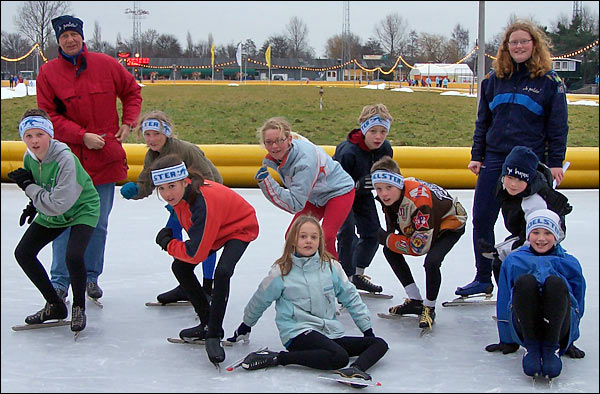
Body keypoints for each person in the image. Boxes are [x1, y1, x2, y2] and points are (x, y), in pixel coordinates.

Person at [456, 20, 569, 298]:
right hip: (495, 159)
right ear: (506, 48)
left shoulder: (549, 83)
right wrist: (477, 155)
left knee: (528, 223)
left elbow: (558, 125)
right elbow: (483, 121)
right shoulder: (493, 82)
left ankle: (530, 277)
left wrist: (555, 162)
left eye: (524, 42)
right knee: (482, 218)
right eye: (513, 42)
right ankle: (483, 278)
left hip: (530, 162)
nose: (518, 47)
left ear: (534, 45)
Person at [36, 15, 142, 302]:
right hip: (67, 160)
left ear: (82, 37)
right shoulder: (48, 73)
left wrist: (129, 122)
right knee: (61, 222)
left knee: (96, 223)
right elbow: (47, 117)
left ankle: (90, 278)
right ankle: (59, 283)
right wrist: (81, 135)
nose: (69, 40)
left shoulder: (106, 65)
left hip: (103, 159)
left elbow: (132, 92)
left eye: (73, 34)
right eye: (63, 36)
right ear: (58, 41)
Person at [227, 215, 388, 380]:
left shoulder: (331, 267)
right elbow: (260, 300)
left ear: (320, 241)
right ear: (293, 240)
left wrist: (367, 330)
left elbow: (351, 298)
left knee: (378, 344)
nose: (308, 241)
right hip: (297, 333)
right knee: (338, 357)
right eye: (303, 236)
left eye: (313, 237)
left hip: (328, 332)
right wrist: (245, 326)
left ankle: (355, 370)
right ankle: (277, 357)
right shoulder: (281, 272)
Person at [150, 154, 259, 366]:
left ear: (184, 181)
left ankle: (214, 333)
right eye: (161, 189)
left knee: (223, 272)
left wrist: (168, 244)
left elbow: (196, 253)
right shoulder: (183, 196)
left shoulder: (202, 202)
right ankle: (206, 322)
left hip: (240, 226)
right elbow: (194, 247)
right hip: (218, 226)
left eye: (171, 186)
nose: (167, 194)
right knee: (180, 268)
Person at [8, 109, 100, 332]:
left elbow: (59, 202)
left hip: (81, 208)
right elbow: (43, 186)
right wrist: (33, 205)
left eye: (39, 134)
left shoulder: (65, 159)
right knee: (23, 253)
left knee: (74, 255)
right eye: (28, 136)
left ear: (50, 134)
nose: (34, 141)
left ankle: (79, 307)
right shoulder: (29, 158)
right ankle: (55, 305)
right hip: (54, 210)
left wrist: (29, 189)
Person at [120, 110, 223, 304]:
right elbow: (147, 183)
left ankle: (207, 288)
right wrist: (135, 191)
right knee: (173, 235)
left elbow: (209, 179)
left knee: (205, 240)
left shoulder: (186, 150)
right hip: (179, 202)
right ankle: (187, 285)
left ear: (167, 133)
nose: (151, 139)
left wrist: (187, 202)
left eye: (156, 134)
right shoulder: (151, 156)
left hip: (204, 199)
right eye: (147, 134)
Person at [371, 156, 467, 330]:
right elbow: (394, 223)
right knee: (389, 250)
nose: (383, 194)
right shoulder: (392, 196)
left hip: (450, 223)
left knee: (432, 261)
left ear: (399, 184)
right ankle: (415, 300)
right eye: (378, 189)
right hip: (428, 221)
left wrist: (387, 238)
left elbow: (419, 247)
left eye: (388, 188)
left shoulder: (418, 202)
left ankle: (429, 308)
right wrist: (388, 238)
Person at [488, 209, 585, 379]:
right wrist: (507, 340)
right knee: (525, 282)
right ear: (528, 235)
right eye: (536, 232)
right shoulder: (514, 260)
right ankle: (531, 347)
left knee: (555, 283)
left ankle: (551, 348)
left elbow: (578, 304)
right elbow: (504, 299)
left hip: (557, 325)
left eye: (548, 233)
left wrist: (570, 339)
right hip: (525, 325)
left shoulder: (569, 262)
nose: (541, 238)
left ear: (557, 235)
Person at [255, 116, 355, 261]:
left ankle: (334, 278)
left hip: (338, 191)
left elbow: (295, 205)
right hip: (315, 195)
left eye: (279, 140)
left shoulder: (304, 163)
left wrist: (267, 184)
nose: (274, 147)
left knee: (326, 237)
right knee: (293, 235)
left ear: (289, 139)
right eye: (269, 142)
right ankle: (303, 274)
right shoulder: (284, 153)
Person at [483, 145, 572, 284]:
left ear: (529, 179)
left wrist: (499, 252)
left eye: (520, 180)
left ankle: (515, 298)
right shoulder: (503, 185)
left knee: (505, 262)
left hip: (546, 239)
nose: (513, 184)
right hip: (525, 232)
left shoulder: (534, 203)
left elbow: (534, 239)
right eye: (510, 177)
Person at [333, 104, 394, 294]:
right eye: (373, 131)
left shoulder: (385, 149)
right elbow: (334, 182)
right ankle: (344, 278)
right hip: (340, 194)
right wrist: (357, 184)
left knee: (374, 234)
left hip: (363, 194)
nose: (378, 136)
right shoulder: (347, 152)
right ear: (364, 129)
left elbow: (388, 174)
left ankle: (357, 275)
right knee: (347, 233)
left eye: (383, 131)